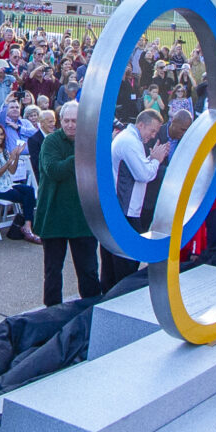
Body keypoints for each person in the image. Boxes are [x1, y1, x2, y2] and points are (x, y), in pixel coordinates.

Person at [36, 102, 100, 305]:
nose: (71, 125)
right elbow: (53, 169)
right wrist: (80, 155)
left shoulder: (90, 141)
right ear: (59, 121)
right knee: (53, 271)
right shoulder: (51, 142)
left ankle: (90, 309)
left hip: (83, 218)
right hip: (54, 216)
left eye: (75, 121)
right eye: (66, 121)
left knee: (88, 270)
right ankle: (51, 313)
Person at [102, 106, 172, 290]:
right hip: (126, 210)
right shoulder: (130, 142)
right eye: (152, 130)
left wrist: (150, 159)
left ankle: (110, 297)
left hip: (124, 208)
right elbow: (144, 175)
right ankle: (119, 299)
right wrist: (156, 159)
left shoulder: (130, 139)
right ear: (141, 124)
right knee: (125, 263)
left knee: (114, 261)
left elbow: (138, 169)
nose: (153, 135)